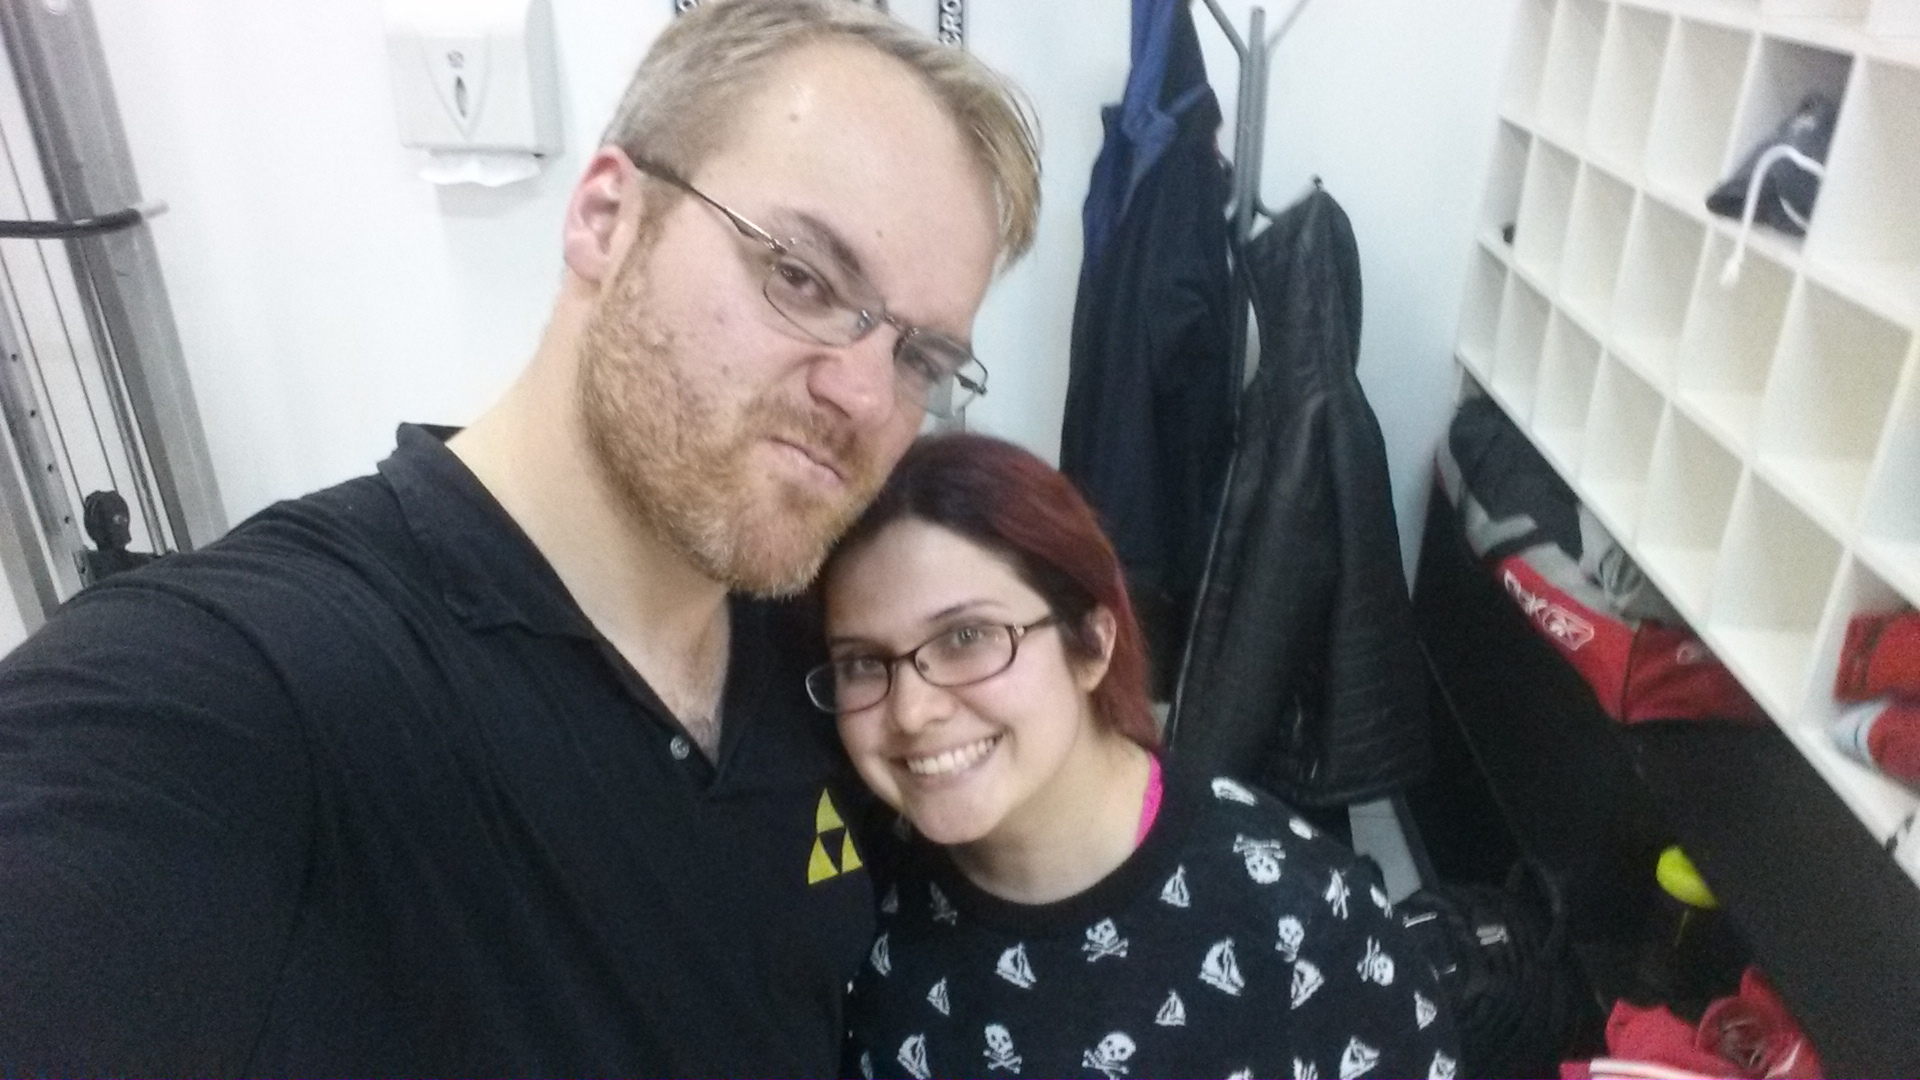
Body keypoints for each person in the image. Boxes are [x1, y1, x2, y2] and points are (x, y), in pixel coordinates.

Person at [0, 2, 1038, 1075]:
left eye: (920, 357)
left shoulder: (830, 657)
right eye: (802, 277)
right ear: (607, 218)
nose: (865, 396)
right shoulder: (256, 686)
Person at [813, 434, 1459, 1080]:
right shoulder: (846, 878)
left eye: (966, 636)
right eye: (862, 663)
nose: (910, 711)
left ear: (1092, 644)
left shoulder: (1304, 919)